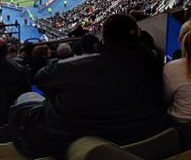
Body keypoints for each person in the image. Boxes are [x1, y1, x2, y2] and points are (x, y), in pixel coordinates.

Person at [9, 13, 164, 158]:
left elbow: (40, 78)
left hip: (77, 143)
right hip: (146, 139)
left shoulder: (76, 67)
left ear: (103, 39)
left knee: (26, 99)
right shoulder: (155, 63)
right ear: (137, 35)